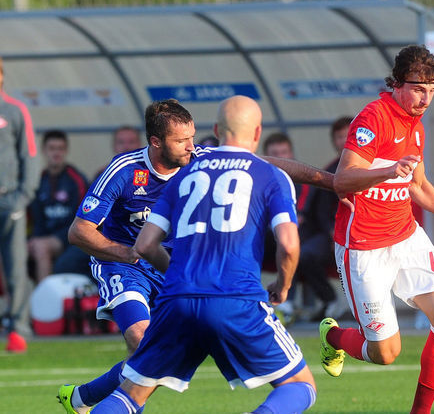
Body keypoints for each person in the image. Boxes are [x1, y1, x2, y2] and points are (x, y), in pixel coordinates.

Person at [58, 100, 332, 413]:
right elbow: (79, 232)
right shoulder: (124, 170)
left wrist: (330, 181)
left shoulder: (196, 162)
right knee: (140, 338)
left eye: (192, 137)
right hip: (125, 265)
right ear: (156, 142)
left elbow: (265, 162)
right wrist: (129, 253)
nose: (191, 147)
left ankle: (82, 397)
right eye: (181, 141)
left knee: (143, 368)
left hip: (176, 270)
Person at [318, 45, 434, 414]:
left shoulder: (416, 126)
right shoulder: (373, 119)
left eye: (432, 90)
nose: (426, 99)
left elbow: (418, 186)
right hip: (363, 247)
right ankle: (333, 335)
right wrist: (387, 170)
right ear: (396, 83)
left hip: (406, 237)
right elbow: (343, 180)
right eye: (418, 89)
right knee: (386, 353)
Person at [0, 56, 40, 353]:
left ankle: (19, 329)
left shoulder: (14, 109)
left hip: (9, 199)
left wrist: (23, 196)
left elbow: (30, 154)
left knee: (15, 267)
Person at [298, 116, 351, 321]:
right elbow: (321, 213)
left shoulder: (374, 168)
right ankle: (331, 300)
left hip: (366, 233)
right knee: (305, 254)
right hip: (334, 234)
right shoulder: (328, 172)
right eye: (339, 136)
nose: (344, 140)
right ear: (334, 141)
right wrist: (333, 234)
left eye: (348, 135)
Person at [27, 130, 91, 281]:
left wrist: (44, 241)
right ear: (43, 151)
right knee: (11, 250)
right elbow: (37, 218)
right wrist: (34, 239)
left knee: (41, 247)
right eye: (52, 148)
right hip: (44, 236)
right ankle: (13, 296)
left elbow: (83, 218)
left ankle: (46, 295)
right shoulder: (38, 180)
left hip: (69, 235)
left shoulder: (76, 180)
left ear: (66, 151)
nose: (56, 153)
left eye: (60, 148)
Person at [262, 132, 311, 323]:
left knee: (290, 243)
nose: (281, 158)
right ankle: (248, 299)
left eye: (284, 152)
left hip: (294, 235)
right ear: (266, 155)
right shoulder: (258, 177)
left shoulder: (302, 180)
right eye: (275, 154)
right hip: (265, 237)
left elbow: (300, 217)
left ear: (291, 153)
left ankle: (287, 303)